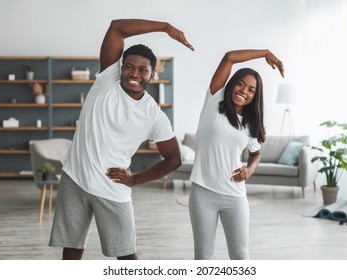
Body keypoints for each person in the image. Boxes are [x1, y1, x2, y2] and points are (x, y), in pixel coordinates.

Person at [49, 19, 194, 260]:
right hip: (74, 179)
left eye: (142, 69)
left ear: (152, 75)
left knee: (126, 257)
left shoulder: (154, 114)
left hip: (112, 189)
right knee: (71, 252)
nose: (134, 73)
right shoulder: (107, 80)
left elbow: (173, 159)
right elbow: (117, 27)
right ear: (120, 68)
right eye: (129, 66)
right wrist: (164, 27)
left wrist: (135, 179)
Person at [189, 49, 284, 260]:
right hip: (203, 193)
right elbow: (229, 57)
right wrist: (266, 53)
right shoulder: (215, 100)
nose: (244, 91)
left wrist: (249, 170)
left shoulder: (251, 124)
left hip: (235, 196)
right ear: (232, 84)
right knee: (203, 256)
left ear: (255, 96)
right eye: (240, 83)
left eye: (251, 90)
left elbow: (255, 154)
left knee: (241, 256)